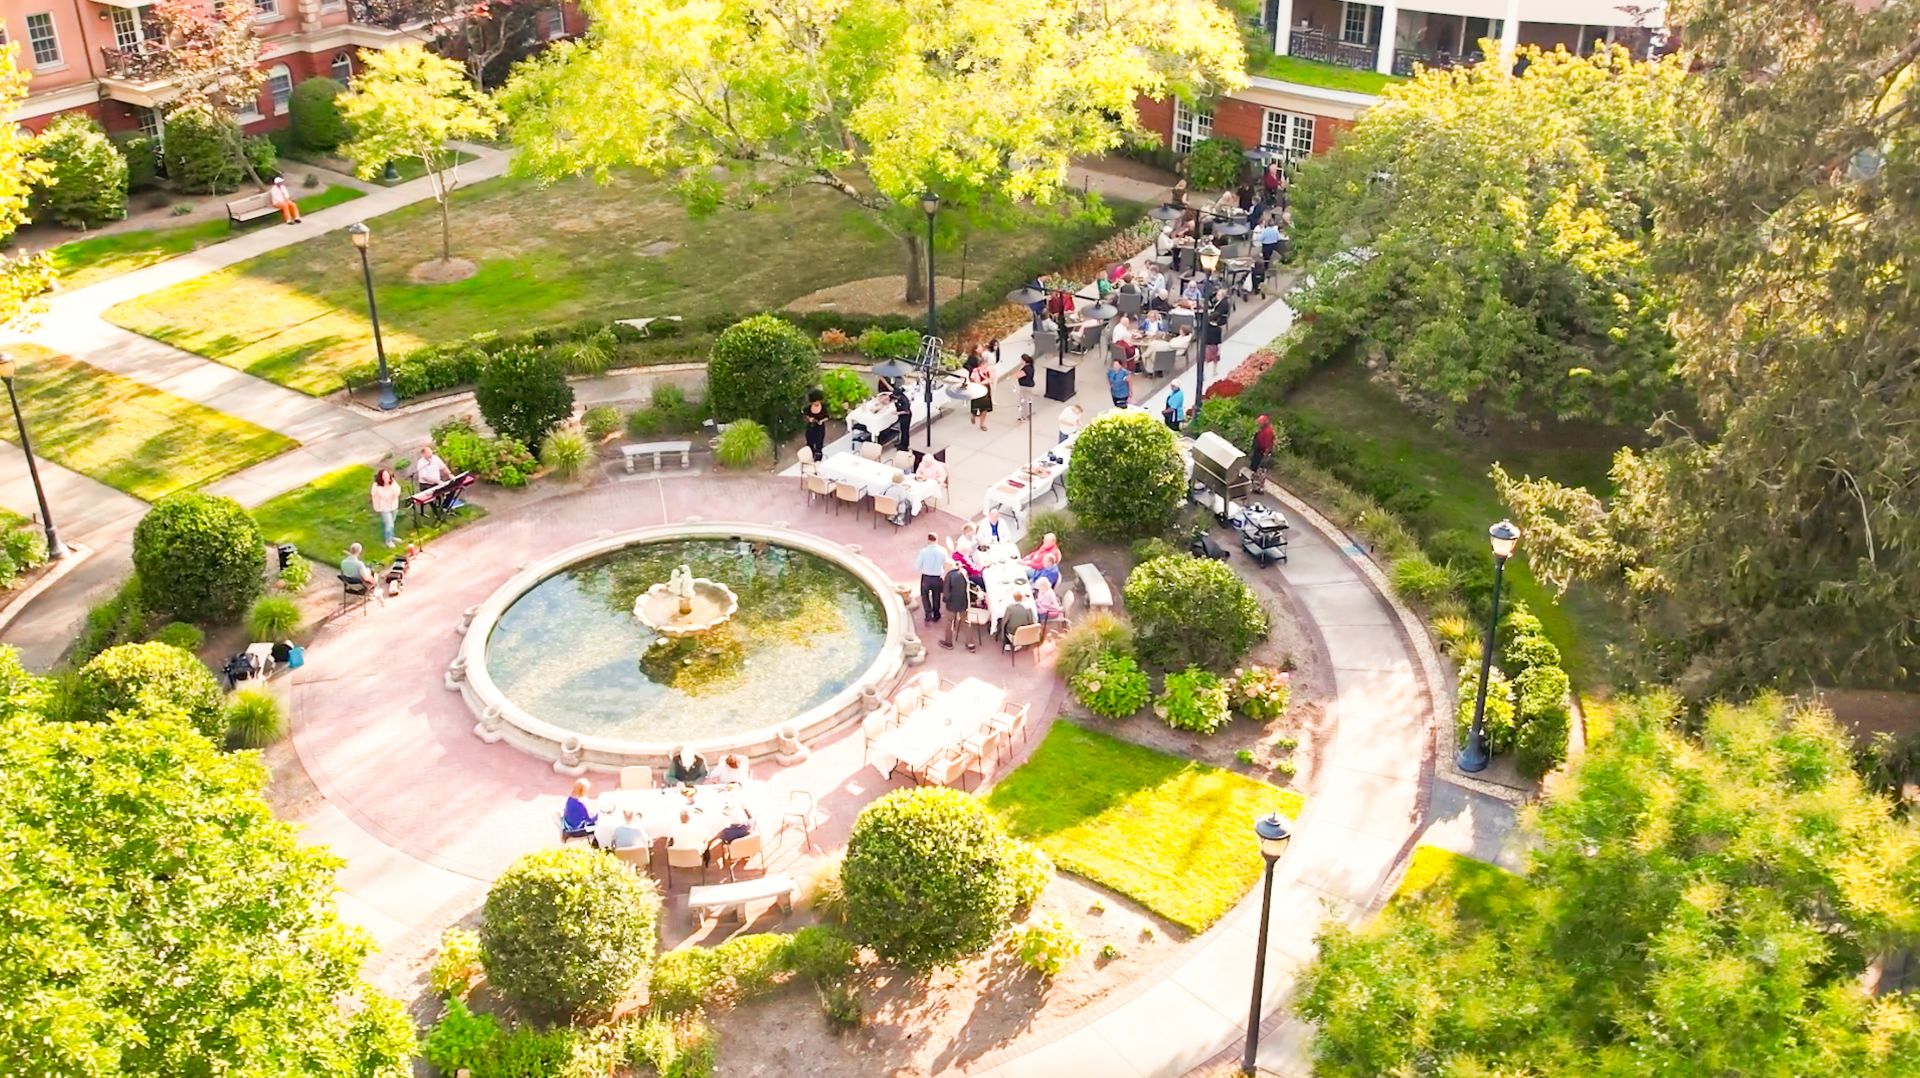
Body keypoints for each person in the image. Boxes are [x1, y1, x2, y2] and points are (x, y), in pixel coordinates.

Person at [940, 555, 972, 650]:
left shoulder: (949, 576)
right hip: (963, 602)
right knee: (966, 622)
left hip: (952, 604)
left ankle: (948, 643)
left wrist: (945, 600)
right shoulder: (963, 572)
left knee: (949, 622)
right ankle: (970, 644)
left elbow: (946, 593)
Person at [915, 533, 948, 624]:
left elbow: (917, 566)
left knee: (925, 596)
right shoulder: (942, 550)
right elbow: (946, 562)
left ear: (928, 540)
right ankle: (936, 614)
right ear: (937, 540)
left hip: (926, 577)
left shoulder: (923, 551)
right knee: (936, 596)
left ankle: (928, 614)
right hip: (937, 577)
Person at [369, 468, 401, 547]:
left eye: (387, 475)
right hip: (384, 508)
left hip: (393, 506)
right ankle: (388, 541)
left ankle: (392, 537)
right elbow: (382, 496)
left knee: (392, 522)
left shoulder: (393, 482)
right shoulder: (377, 486)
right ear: (381, 477)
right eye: (384, 475)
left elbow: (397, 491)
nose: (386, 477)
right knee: (389, 524)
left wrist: (390, 485)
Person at [802, 388, 829, 462]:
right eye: (815, 402)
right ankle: (810, 455)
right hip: (811, 427)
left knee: (819, 443)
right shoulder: (808, 407)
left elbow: (827, 417)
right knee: (810, 442)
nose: (817, 403)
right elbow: (806, 415)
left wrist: (821, 421)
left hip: (819, 428)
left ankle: (818, 458)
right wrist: (809, 419)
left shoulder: (823, 407)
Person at [969, 358, 994, 431]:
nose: (987, 366)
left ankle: (982, 424)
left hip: (986, 391)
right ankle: (973, 415)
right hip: (978, 391)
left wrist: (988, 381)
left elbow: (991, 380)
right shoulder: (976, 371)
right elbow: (977, 382)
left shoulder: (987, 371)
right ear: (981, 364)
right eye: (986, 364)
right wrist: (985, 381)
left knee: (985, 408)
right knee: (976, 407)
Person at [889, 378, 912, 449]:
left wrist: (897, 413)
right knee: (901, 430)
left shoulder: (904, 400)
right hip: (901, 416)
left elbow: (907, 411)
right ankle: (901, 443)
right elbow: (890, 397)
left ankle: (905, 445)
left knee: (905, 431)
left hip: (906, 416)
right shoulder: (896, 397)